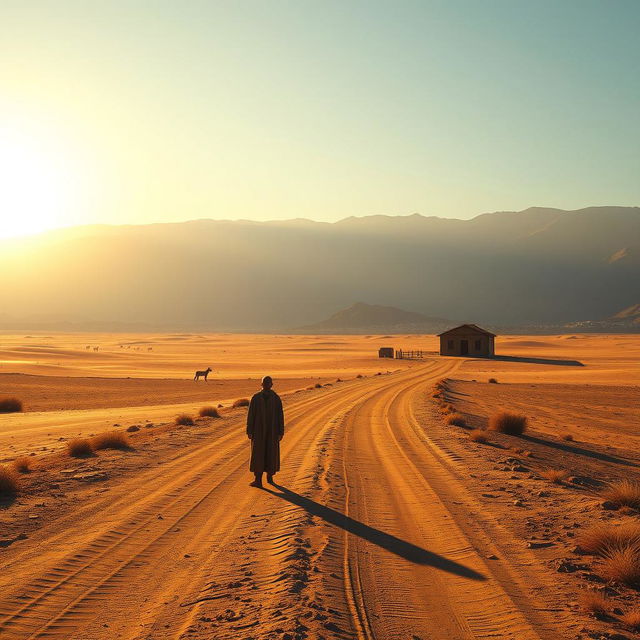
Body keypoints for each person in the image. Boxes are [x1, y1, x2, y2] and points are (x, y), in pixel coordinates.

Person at [246, 375, 284, 488]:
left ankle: (270, 477)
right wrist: (249, 430)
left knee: (271, 454)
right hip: (258, 432)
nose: (267, 385)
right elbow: (250, 415)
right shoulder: (256, 398)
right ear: (261, 384)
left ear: (272, 385)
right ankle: (258, 480)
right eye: (265, 383)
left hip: (272, 432)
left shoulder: (276, 398)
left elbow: (280, 416)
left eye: (269, 383)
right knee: (258, 454)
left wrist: (281, 431)